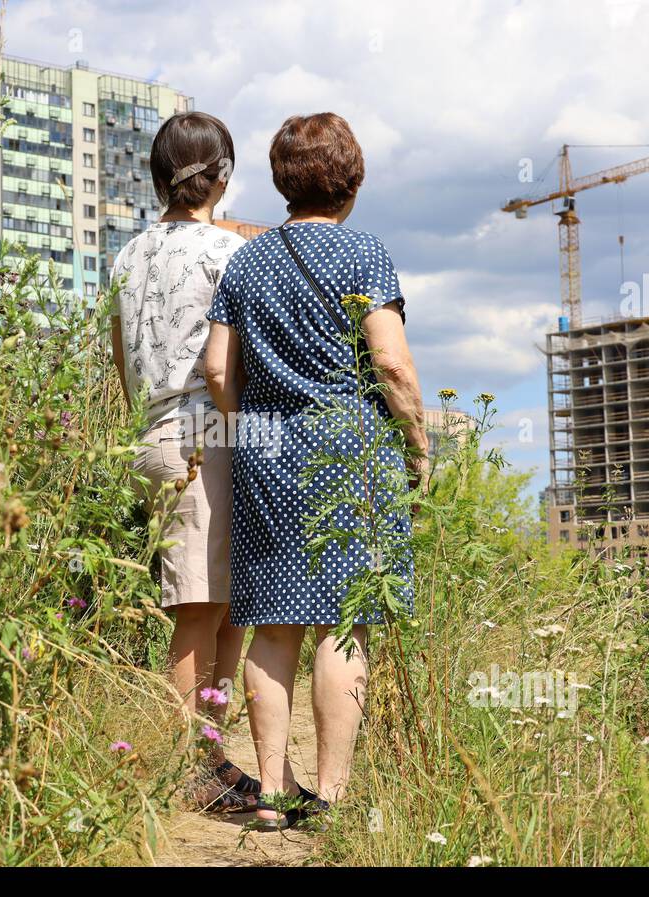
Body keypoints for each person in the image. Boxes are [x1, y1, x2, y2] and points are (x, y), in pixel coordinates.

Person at [204, 113, 427, 829]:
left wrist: (249, 427)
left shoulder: (247, 261)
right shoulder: (365, 254)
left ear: (281, 182)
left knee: (272, 624)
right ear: (352, 181)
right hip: (348, 448)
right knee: (343, 623)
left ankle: (269, 792)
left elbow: (215, 367)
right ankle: (329, 796)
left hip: (265, 446)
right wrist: (419, 447)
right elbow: (391, 362)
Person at [109, 111, 259, 811]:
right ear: (221, 175)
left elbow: (119, 360)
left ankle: (212, 758)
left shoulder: (127, 254)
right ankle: (195, 770)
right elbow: (230, 365)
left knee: (216, 604)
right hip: (208, 436)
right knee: (199, 610)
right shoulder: (225, 253)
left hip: (153, 434)